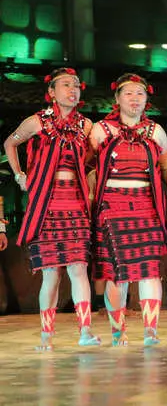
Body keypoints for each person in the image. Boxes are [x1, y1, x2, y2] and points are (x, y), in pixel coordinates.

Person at [3, 67, 100, 350]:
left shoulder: (86, 126)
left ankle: (85, 331)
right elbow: (10, 143)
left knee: (79, 268)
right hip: (46, 205)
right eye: (66, 85)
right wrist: (20, 175)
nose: (73, 90)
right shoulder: (37, 122)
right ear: (51, 92)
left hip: (76, 204)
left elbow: (91, 161)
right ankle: (47, 334)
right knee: (52, 273)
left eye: (76, 86)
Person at [89, 73, 167, 346]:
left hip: (145, 205)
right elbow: (88, 167)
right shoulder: (100, 129)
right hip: (112, 205)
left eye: (140, 93)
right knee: (117, 271)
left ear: (147, 99)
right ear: (117, 98)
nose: (135, 98)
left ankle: (150, 330)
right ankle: (118, 331)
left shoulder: (155, 131)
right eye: (129, 93)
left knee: (149, 270)